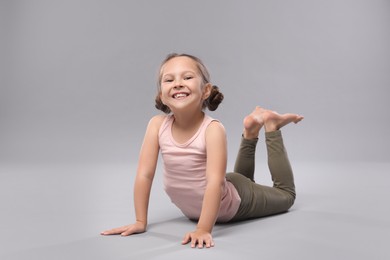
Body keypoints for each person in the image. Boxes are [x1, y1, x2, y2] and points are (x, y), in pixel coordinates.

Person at [101, 53, 304, 249]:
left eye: (187, 77)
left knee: (286, 196)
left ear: (206, 90)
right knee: (241, 180)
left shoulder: (213, 129)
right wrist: (140, 220)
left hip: (235, 202)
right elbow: (144, 174)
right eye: (169, 80)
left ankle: (271, 126)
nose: (178, 83)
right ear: (161, 95)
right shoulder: (156, 125)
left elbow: (215, 183)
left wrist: (203, 228)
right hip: (225, 187)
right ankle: (250, 130)